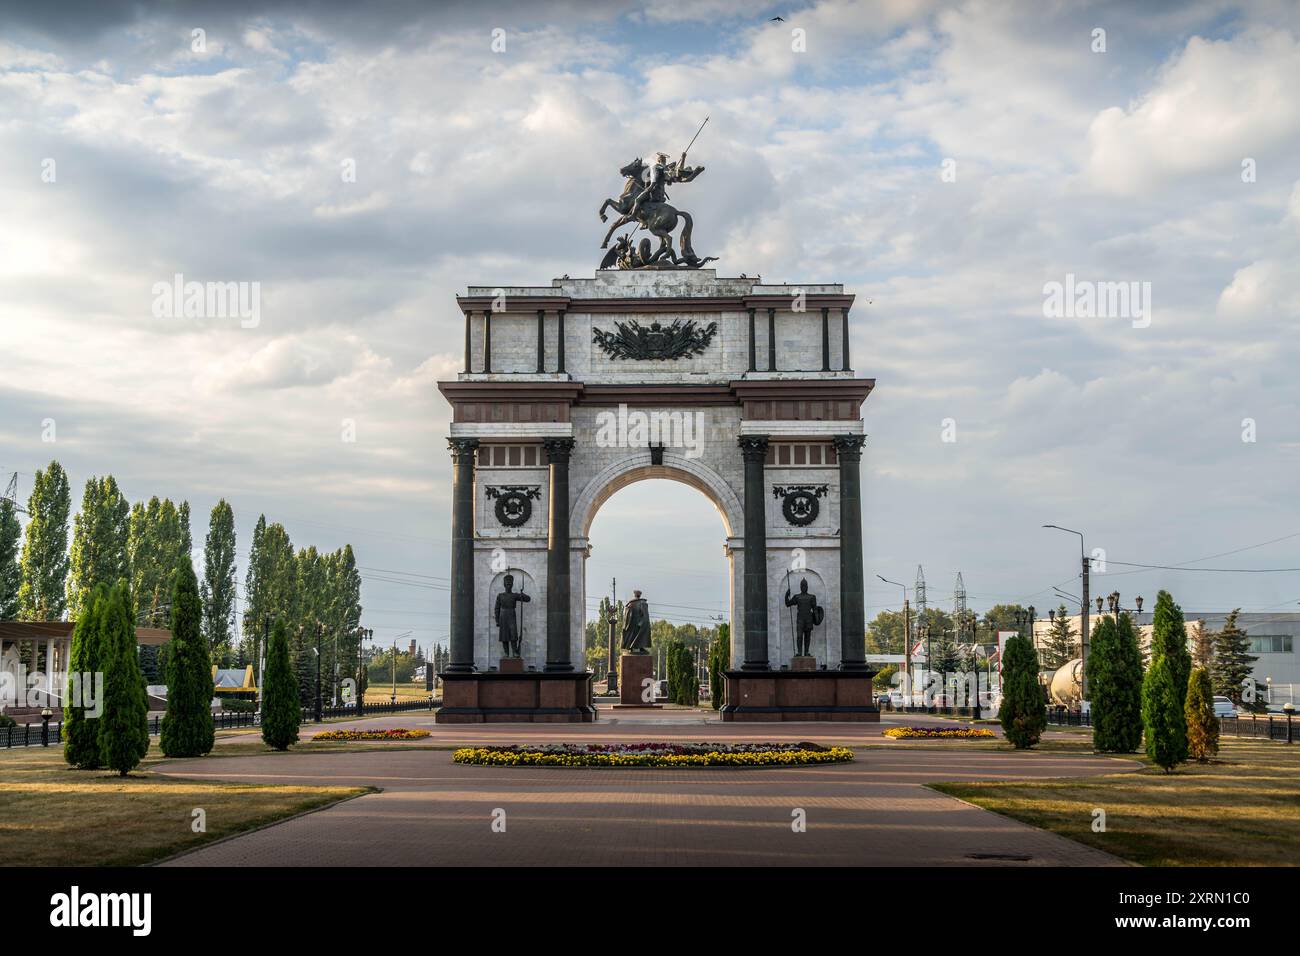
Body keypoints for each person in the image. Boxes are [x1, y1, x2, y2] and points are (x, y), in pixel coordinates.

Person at [494, 574, 530, 659]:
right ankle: (506, 653)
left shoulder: (515, 595)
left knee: (513, 635)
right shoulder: (500, 595)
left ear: (512, 585)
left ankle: (515, 653)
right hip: (503, 616)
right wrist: (497, 620)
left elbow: (528, 599)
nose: (508, 586)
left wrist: (522, 594)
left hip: (511, 615)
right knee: (504, 636)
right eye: (507, 584)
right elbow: (496, 608)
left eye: (510, 584)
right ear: (504, 585)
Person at [784, 578, 822, 657]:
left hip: (809, 619)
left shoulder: (812, 597)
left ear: (807, 587)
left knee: (807, 637)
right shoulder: (797, 597)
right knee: (799, 636)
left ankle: (806, 652)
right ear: (800, 587)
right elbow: (788, 604)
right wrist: (786, 595)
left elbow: (815, 609)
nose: (804, 587)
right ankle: (799, 652)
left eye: (805, 585)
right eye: (802, 585)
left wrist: (817, 619)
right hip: (800, 620)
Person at [621, 590, 651, 654]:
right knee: (639, 635)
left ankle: (634, 648)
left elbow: (627, 614)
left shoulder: (630, 604)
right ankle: (638, 647)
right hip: (638, 623)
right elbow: (645, 614)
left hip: (633, 623)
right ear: (639, 595)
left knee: (635, 635)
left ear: (635, 595)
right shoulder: (642, 602)